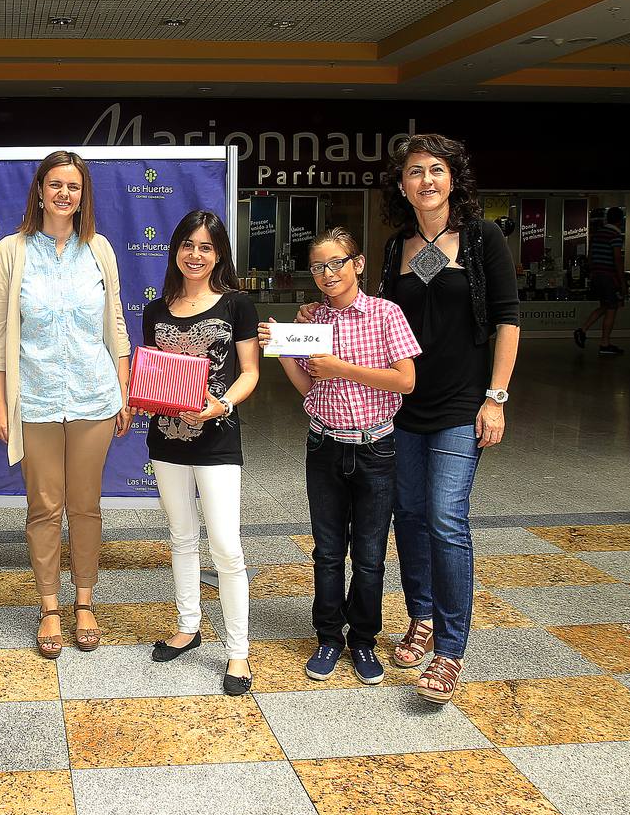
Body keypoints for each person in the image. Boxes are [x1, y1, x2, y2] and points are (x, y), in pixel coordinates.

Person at [263, 133, 519, 704]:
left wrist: (495, 397)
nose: (425, 181)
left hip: (459, 400)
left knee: (447, 518)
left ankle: (449, 650)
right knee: (407, 515)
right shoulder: (398, 244)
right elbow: (369, 318)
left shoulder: (481, 238)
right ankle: (421, 614)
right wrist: (306, 325)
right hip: (402, 409)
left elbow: (507, 319)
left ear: (454, 177)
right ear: (400, 186)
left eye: (436, 170)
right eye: (413, 173)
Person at [0, 150, 131, 659]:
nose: (64, 194)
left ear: (82, 193)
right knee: (45, 507)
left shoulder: (101, 250)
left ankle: (84, 601)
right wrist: (1, 406)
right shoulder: (12, 250)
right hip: (37, 401)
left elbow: (115, 324)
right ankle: (49, 605)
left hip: (95, 397)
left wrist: (124, 389)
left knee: (86, 506)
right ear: (40, 191)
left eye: (73, 186)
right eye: (56, 185)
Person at [264, 227, 420, 687]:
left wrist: (341, 369)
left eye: (336, 263)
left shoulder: (387, 314)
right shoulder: (311, 320)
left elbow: (405, 381)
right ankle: (329, 636)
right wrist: (282, 350)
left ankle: (365, 640)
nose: (327, 274)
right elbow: (309, 389)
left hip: (376, 447)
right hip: (325, 445)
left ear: (359, 264)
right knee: (328, 552)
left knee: (370, 555)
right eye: (318, 267)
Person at [141, 210, 259, 696]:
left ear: (219, 254)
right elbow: (152, 374)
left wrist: (220, 405)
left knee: (226, 547)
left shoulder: (237, 304)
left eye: (206, 247)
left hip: (217, 438)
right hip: (166, 438)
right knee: (181, 535)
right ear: (175, 250)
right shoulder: (156, 309)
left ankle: (237, 652)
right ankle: (188, 626)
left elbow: (249, 372)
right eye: (188, 244)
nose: (195, 254)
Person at [575, 206, 627, 356]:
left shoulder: (597, 235)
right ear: (620, 220)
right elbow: (617, 259)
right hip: (608, 277)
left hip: (597, 275)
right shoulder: (615, 236)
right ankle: (605, 343)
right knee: (612, 307)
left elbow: (590, 256)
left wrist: (592, 273)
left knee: (605, 305)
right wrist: (622, 282)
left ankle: (582, 330)